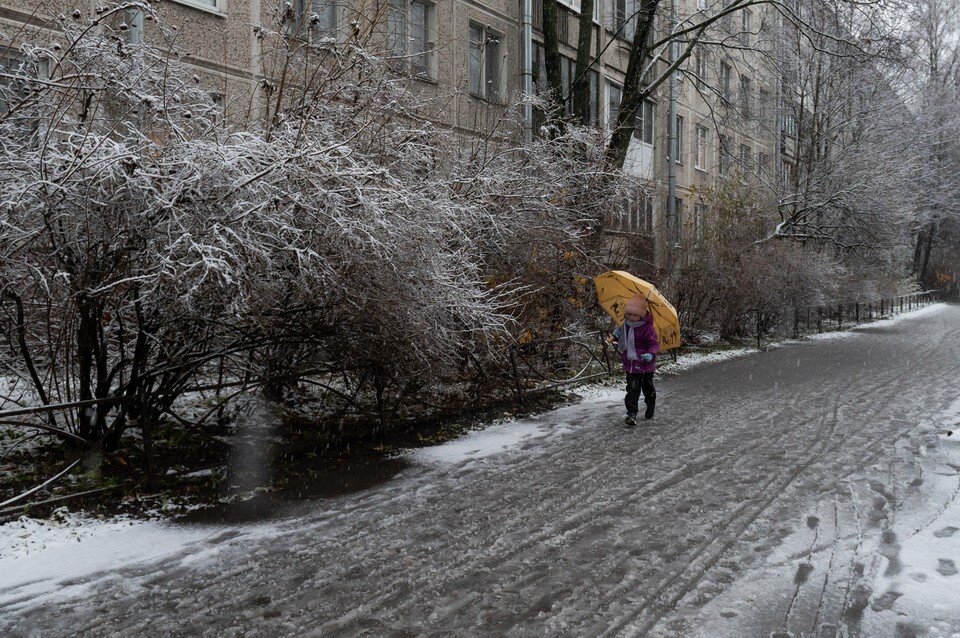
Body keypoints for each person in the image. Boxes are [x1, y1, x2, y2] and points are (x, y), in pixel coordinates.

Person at [612, 295, 659, 427]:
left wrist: (650, 353)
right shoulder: (624, 326)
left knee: (647, 387)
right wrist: (616, 337)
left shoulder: (647, 328)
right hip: (631, 364)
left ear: (641, 315)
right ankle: (631, 413)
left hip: (645, 364)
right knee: (632, 389)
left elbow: (653, 343)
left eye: (635, 315)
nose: (631, 317)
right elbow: (621, 345)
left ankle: (650, 404)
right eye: (629, 314)